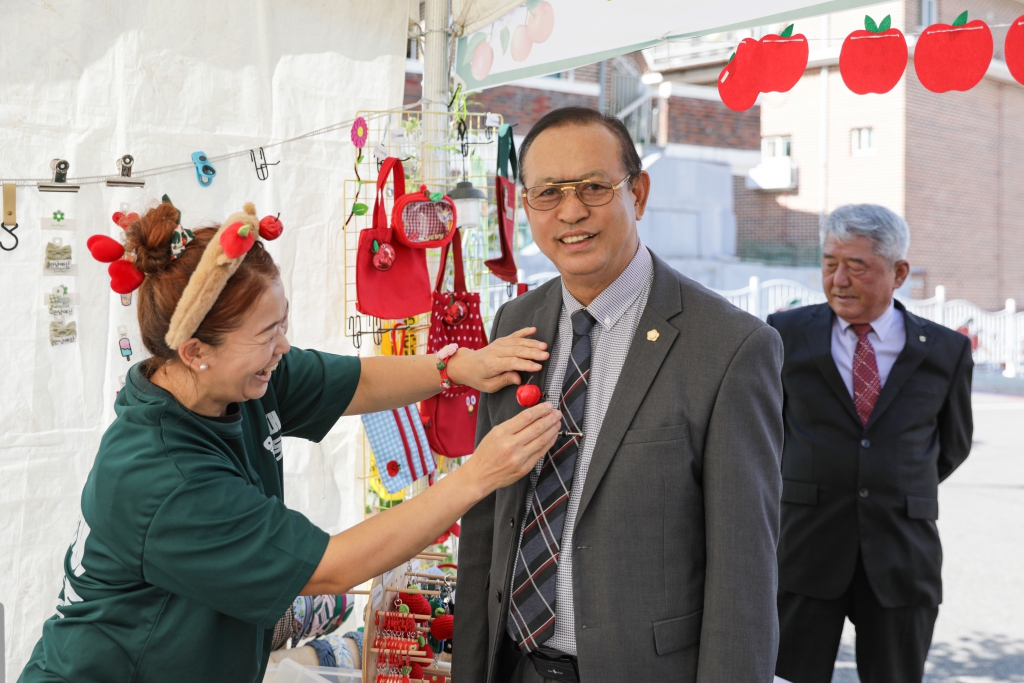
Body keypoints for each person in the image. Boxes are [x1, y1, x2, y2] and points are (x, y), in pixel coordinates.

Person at [19, 199, 563, 683]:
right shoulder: (164, 480)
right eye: (266, 334)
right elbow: (334, 567)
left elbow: (358, 381)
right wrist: (478, 476)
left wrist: (459, 366)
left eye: (282, 324)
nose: (283, 347)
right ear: (194, 351)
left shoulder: (240, 380)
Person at [452, 106, 785, 683]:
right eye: (548, 192)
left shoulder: (730, 347)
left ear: (639, 192)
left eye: (594, 187)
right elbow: (489, 515)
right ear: (525, 206)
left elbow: (744, 578)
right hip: (513, 666)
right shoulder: (515, 322)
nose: (572, 211)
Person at [768, 204, 973, 683]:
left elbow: (951, 446)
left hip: (902, 555)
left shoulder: (945, 351)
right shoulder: (782, 335)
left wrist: (891, 480)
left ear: (899, 272)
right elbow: (764, 433)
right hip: (804, 550)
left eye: (856, 266)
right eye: (829, 263)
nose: (839, 279)